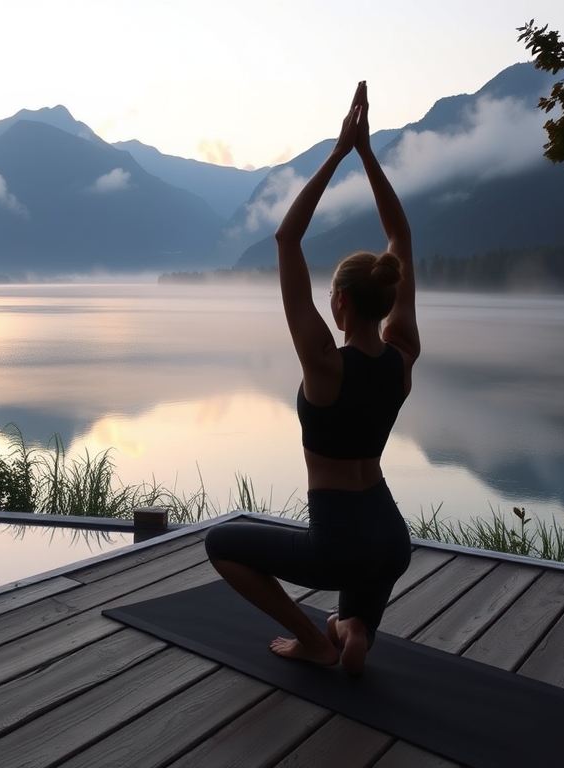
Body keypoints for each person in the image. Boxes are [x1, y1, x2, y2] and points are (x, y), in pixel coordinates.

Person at [204, 81, 419, 676]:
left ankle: (314, 640)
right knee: (366, 574)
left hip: (340, 540)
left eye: (331, 295)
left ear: (343, 303)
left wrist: (340, 152)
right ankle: (355, 630)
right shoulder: (403, 358)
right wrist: (370, 156)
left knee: (222, 544)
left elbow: (286, 238)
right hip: (390, 537)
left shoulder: (324, 365)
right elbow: (400, 239)